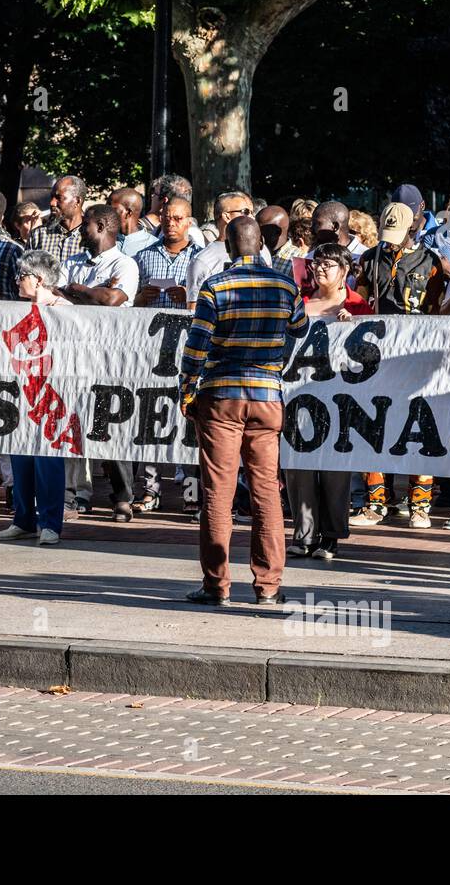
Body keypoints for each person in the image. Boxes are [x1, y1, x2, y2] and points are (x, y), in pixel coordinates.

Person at [179, 215, 308, 607]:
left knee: (218, 492)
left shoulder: (215, 287)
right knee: (267, 491)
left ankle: (217, 586)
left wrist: (188, 390)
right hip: (267, 397)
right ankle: (268, 586)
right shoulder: (286, 286)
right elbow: (299, 328)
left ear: (229, 245)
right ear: (260, 246)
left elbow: (197, 346)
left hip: (222, 397)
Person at [353, 201, 447, 528]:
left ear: (413, 229)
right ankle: (376, 500)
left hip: (418, 354)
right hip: (377, 354)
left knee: (419, 424)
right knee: (374, 424)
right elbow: (360, 301)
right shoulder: (369, 259)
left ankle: (420, 502)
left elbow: (437, 308)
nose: (391, 241)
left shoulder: (430, 262)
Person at [285, 242, 372, 560]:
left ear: (345, 270)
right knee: (300, 467)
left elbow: (374, 354)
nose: (321, 269)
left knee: (335, 468)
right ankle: (304, 533)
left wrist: (355, 327)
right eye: (317, 264)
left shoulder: (359, 305)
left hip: (341, 398)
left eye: (329, 264)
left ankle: (331, 535)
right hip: (302, 396)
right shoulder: (301, 304)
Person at [59, 204, 141, 521]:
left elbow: (114, 300)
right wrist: (93, 293)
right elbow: (56, 293)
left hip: (110, 356)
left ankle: (123, 497)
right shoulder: (72, 261)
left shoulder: (125, 264)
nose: (80, 230)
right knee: (71, 422)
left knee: (109, 426)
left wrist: (78, 290)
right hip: (73, 353)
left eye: (86, 225)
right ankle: (71, 494)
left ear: (103, 226)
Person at [0, 250, 69, 547]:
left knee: (47, 459)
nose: (17, 280)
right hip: (24, 391)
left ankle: (50, 522)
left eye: (22, 276)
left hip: (52, 394)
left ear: (38, 280)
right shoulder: (20, 310)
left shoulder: (64, 309)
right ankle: (23, 519)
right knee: (21, 455)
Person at [131, 196, 197, 514]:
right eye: (167, 218)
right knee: (150, 417)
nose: (171, 223)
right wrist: (141, 298)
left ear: (189, 222)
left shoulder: (200, 259)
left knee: (190, 420)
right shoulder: (143, 257)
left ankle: (191, 490)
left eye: (178, 218)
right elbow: (132, 308)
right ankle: (148, 489)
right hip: (153, 351)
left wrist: (188, 298)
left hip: (188, 350)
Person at [186, 192, 257, 311]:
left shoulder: (263, 251)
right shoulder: (202, 260)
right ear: (226, 216)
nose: (252, 217)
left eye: (252, 212)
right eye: (245, 212)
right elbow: (194, 309)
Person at [29, 175, 88, 267]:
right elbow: (25, 274)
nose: (52, 203)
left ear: (77, 201)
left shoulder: (91, 237)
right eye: (52, 197)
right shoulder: (39, 235)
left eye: (59, 197)